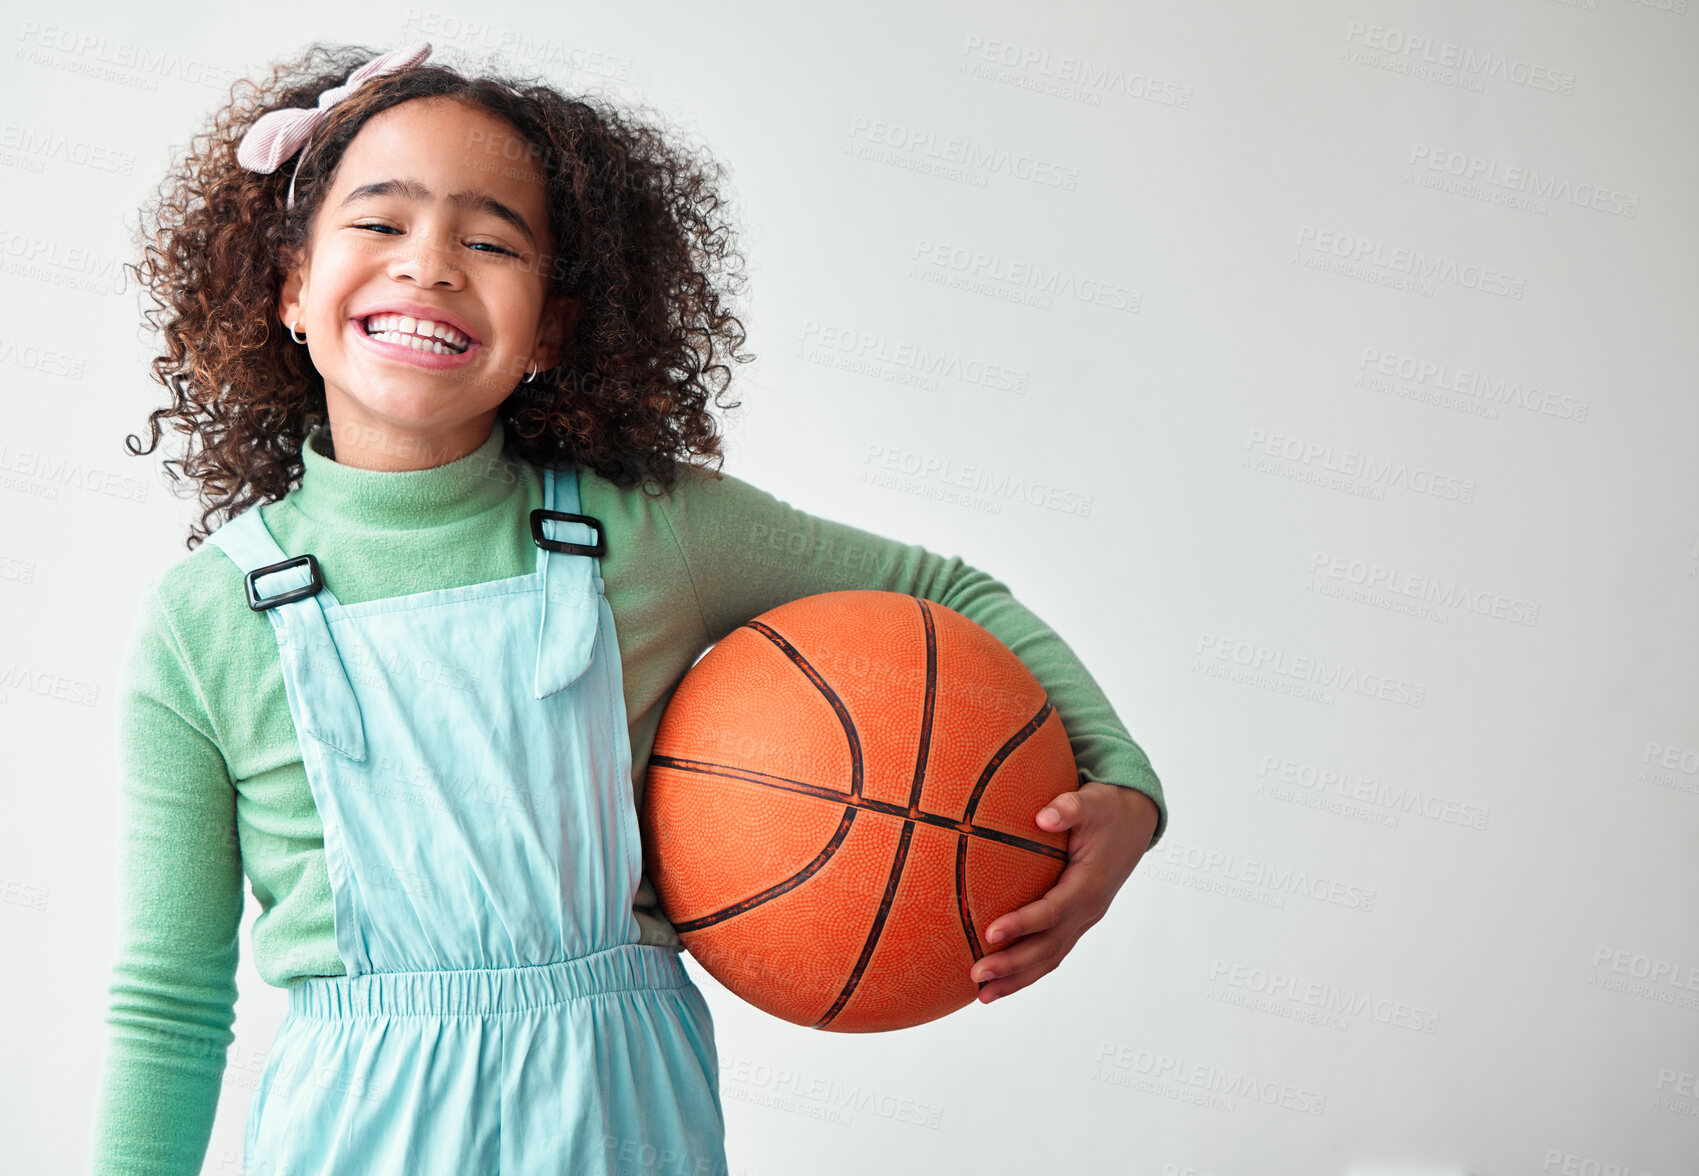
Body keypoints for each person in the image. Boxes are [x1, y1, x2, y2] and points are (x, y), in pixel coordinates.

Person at [88, 40, 1169, 1176]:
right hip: (354, 1134)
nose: (434, 265)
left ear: (554, 327)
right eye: (380, 221)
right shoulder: (207, 620)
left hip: (621, 1125)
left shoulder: (649, 535)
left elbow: (948, 595)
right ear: (290, 286)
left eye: (492, 239)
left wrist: (1121, 785)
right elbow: (169, 997)